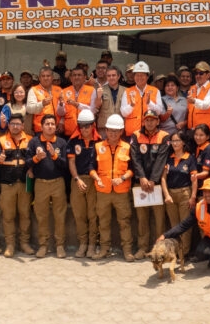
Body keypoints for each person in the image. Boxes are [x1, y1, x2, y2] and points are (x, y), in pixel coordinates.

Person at [159, 178, 210, 280]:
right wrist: (165, 235)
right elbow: (183, 225)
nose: (207, 194)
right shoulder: (199, 206)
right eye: (205, 191)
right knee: (201, 254)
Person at [90, 114, 135, 261]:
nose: (113, 133)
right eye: (110, 130)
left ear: (121, 131)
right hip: (102, 192)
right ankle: (104, 250)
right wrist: (97, 178)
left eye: (116, 131)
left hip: (121, 192)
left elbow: (133, 169)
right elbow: (91, 167)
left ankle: (127, 251)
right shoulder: (98, 147)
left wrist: (122, 178)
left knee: (125, 222)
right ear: (106, 131)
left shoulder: (128, 147)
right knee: (103, 222)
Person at [26, 114, 69, 258]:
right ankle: (43, 245)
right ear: (41, 126)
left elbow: (65, 166)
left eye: (52, 124)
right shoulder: (34, 142)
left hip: (58, 183)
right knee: (41, 215)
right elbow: (26, 163)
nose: (50, 126)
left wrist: (54, 155)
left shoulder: (61, 143)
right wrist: (36, 158)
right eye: (47, 124)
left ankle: (60, 245)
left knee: (60, 215)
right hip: (41, 184)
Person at [130, 110, 170, 259]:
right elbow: (135, 158)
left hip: (157, 185)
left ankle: (158, 249)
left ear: (158, 121)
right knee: (142, 218)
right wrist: (141, 177)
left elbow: (161, 159)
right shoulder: (136, 135)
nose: (150, 122)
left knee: (159, 219)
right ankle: (142, 248)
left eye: (153, 120)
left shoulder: (164, 136)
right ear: (143, 121)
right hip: (140, 183)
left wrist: (153, 179)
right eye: (147, 120)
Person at [0, 114, 34, 257]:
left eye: (18, 124)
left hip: (24, 184)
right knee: (8, 216)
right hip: (7, 184)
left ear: (22, 126)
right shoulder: (1, 140)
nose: (15, 126)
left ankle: (24, 244)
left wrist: (31, 169)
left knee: (25, 215)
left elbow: (34, 159)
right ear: (8, 126)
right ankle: (10, 245)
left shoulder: (30, 140)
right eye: (12, 124)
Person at [67, 109, 102, 258]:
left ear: (93, 125)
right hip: (78, 180)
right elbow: (71, 162)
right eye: (81, 126)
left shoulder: (99, 141)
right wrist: (77, 179)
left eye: (87, 126)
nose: (84, 129)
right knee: (79, 214)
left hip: (94, 181)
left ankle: (92, 245)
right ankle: (83, 243)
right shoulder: (73, 141)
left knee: (93, 214)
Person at [161, 131, 197, 257]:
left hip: (185, 193)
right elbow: (163, 178)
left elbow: (194, 178)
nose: (174, 143)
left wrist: (193, 196)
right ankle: (176, 252)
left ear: (183, 142)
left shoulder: (190, 158)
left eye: (177, 140)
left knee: (185, 225)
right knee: (174, 225)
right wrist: (166, 195)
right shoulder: (169, 158)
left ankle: (184, 252)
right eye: (173, 141)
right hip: (170, 195)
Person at [120, 61, 163, 136]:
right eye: (137, 75)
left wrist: (149, 103)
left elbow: (159, 111)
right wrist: (131, 105)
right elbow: (123, 113)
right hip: (132, 134)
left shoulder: (155, 91)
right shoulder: (127, 91)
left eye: (142, 75)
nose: (139, 78)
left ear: (147, 77)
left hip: (150, 133)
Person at [59, 66, 97, 138]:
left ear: (85, 77)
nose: (76, 77)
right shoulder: (64, 91)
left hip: (86, 131)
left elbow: (93, 110)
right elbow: (61, 113)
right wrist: (60, 105)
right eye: (74, 75)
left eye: (79, 75)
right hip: (69, 132)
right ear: (71, 78)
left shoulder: (92, 90)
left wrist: (77, 105)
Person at [27, 66, 65, 135]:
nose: (45, 78)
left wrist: (62, 122)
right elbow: (29, 109)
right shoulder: (33, 90)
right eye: (43, 76)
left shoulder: (59, 89)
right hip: (40, 130)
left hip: (57, 129)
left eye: (48, 76)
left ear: (52, 77)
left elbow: (65, 109)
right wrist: (41, 104)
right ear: (39, 78)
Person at [187, 61, 210, 138]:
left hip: (207, 131)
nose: (198, 76)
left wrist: (194, 101)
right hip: (193, 130)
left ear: (208, 75)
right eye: (196, 73)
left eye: (201, 73)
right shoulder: (192, 88)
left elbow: (206, 105)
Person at [96, 65, 124, 139]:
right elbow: (97, 106)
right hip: (104, 129)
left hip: (120, 128)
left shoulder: (125, 91)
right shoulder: (101, 89)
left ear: (118, 76)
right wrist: (98, 97)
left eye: (113, 75)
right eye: (109, 76)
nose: (111, 78)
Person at [192, 123, 210, 207]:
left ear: (208, 136)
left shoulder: (209, 149)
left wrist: (191, 175)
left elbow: (205, 172)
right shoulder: (198, 147)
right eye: (196, 135)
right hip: (198, 187)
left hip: (206, 188)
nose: (198, 137)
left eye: (201, 135)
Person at [0, 71, 16, 138]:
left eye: (8, 79)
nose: (5, 81)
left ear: (13, 80)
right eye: (3, 79)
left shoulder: (17, 94)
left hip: (15, 128)